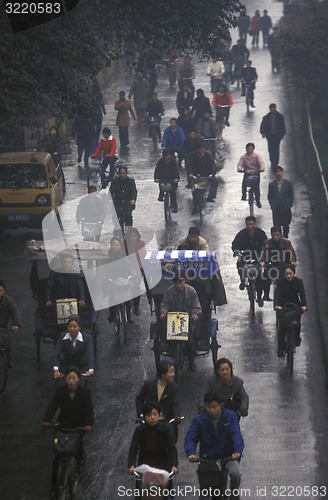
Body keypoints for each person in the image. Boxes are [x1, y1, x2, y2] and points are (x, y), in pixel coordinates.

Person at [184, 392, 244, 500]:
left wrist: (237, 451)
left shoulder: (230, 416)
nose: (212, 410)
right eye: (209, 407)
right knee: (205, 493)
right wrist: (191, 452)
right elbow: (191, 437)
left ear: (221, 405)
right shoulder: (199, 419)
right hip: (208, 459)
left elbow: (236, 435)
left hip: (227, 457)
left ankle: (234, 496)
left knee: (236, 474)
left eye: (214, 407)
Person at [42, 366, 94, 489]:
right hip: (63, 423)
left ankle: (80, 459)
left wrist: (88, 424)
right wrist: (46, 420)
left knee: (77, 441)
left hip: (79, 424)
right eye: (69, 378)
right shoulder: (60, 392)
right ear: (65, 379)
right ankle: (55, 486)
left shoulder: (85, 393)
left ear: (78, 379)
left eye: (74, 378)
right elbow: (52, 406)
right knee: (58, 455)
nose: (71, 381)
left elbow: (88, 410)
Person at [128, 402, 179, 486]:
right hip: (145, 467)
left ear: (159, 415)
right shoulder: (140, 431)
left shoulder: (165, 430)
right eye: (149, 415)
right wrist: (131, 465)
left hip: (163, 466)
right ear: (144, 417)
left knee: (167, 493)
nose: (152, 417)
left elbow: (171, 448)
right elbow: (134, 448)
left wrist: (174, 465)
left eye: (155, 415)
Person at [160, 274, 201, 372]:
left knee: (190, 342)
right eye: (176, 283)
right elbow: (164, 305)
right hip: (173, 320)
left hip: (187, 319)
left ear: (184, 281)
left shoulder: (191, 291)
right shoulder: (169, 291)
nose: (178, 285)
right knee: (168, 336)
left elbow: (196, 306)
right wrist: (163, 313)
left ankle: (191, 363)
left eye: (180, 282)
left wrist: (195, 314)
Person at [135, 360, 181, 442]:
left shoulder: (174, 387)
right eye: (171, 372)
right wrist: (141, 414)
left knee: (171, 440)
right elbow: (139, 399)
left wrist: (176, 416)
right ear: (163, 374)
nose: (173, 375)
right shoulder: (148, 385)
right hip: (150, 420)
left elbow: (175, 403)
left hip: (166, 421)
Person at [231, 216, 268, 306]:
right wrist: (238, 253)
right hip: (245, 258)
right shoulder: (241, 234)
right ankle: (243, 281)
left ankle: (259, 297)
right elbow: (235, 245)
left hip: (258, 258)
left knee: (260, 277)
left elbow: (266, 245)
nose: (249, 226)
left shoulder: (260, 233)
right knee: (240, 266)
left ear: (254, 224)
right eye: (247, 224)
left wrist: (263, 258)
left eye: (251, 224)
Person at [274, 265, 308, 357]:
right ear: (284, 274)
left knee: (297, 324)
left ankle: (296, 339)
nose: (288, 276)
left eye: (290, 274)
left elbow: (302, 294)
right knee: (282, 329)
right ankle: (281, 349)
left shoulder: (299, 282)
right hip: (283, 307)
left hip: (295, 306)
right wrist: (277, 305)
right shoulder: (280, 282)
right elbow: (277, 294)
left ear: (294, 274)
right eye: (286, 274)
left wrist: (304, 305)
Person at [259, 227, 297, 300]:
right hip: (271, 265)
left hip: (284, 266)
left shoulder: (286, 243)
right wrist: (262, 261)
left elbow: (291, 252)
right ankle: (266, 294)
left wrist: (293, 261)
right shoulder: (266, 243)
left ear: (281, 234)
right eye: (274, 235)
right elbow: (263, 252)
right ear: (271, 235)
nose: (275, 237)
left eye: (277, 235)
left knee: (288, 278)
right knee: (265, 276)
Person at [106, 236, 134, 324]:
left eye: (117, 245)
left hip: (123, 279)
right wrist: (107, 277)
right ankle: (112, 315)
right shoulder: (107, 256)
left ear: (120, 246)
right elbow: (103, 268)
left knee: (128, 298)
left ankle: (129, 316)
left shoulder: (123, 256)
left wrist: (131, 274)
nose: (115, 246)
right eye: (113, 244)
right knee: (112, 298)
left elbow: (128, 265)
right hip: (112, 279)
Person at [125, 227, 147, 316]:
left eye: (134, 236)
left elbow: (143, 256)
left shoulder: (141, 244)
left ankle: (136, 306)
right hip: (126, 268)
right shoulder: (124, 244)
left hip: (138, 269)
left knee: (136, 287)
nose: (132, 238)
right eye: (131, 237)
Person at [189, 143, 219, 208]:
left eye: (201, 149)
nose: (200, 151)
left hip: (207, 174)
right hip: (197, 175)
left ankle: (210, 197)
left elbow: (213, 165)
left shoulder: (208, 155)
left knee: (215, 180)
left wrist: (212, 174)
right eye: (198, 149)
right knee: (195, 189)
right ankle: (195, 206)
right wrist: (191, 174)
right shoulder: (192, 156)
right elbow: (190, 166)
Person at [267, 166, 294, 238]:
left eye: (280, 171)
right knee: (277, 225)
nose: (278, 173)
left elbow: (291, 195)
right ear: (274, 174)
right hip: (276, 208)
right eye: (276, 172)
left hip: (285, 208)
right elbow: (270, 196)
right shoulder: (272, 185)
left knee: (286, 224)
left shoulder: (288, 184)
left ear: (282, 172)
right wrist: (272, 206)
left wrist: (289, 205)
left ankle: (285, 236)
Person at [0, 280, 22, 367]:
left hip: (2, 326)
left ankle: (8, 360)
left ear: (4, 291)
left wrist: (16, 324)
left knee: (6, 343)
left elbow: (14, 311)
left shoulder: (7, 301)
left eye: (0, 290)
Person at [237, 142, 265, 208]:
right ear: (246, 149)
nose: (250, 150)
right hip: (247, 173)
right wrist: (239, 169)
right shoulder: (243, 157)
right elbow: (239, 164)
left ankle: (258, 201)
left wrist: (262, 168)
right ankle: (244, 195)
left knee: (256, 188)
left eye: (251, 149)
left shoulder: (257, 156)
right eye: (248, 149)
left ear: (253, 149)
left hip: (256, 173)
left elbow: (261, 163)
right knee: (244, 184)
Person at [260, 104, 286, 168]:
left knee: (276, 148)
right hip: (270, 135)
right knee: (271, 149)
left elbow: (283, 126)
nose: (273, 109)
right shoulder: (266, 117)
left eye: (274, 108)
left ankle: (276, 162)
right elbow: (263, 126)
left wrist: (282, 134)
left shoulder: (280, 117)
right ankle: (272, 161)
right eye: (272, 108)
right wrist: (263, 133)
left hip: (277, 136)